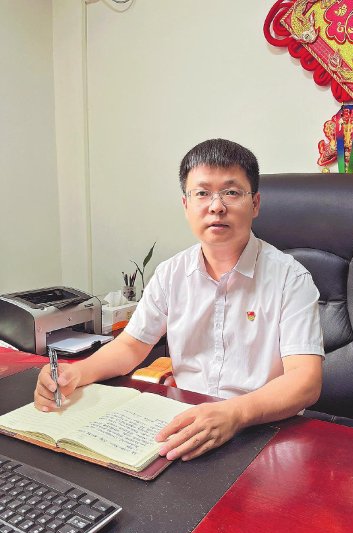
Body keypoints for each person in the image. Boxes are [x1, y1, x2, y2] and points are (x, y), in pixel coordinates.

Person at [34, 139, 324, 461]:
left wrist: (235, 413)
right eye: (202, 193)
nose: (216, 206)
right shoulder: (171, 273)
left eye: (231, 192)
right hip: (187, 425)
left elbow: (305, 380)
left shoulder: (290, 279)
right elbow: (131, 347)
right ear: (186, 205)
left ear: (254, 203)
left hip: (265, 429)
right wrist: (76, 374)